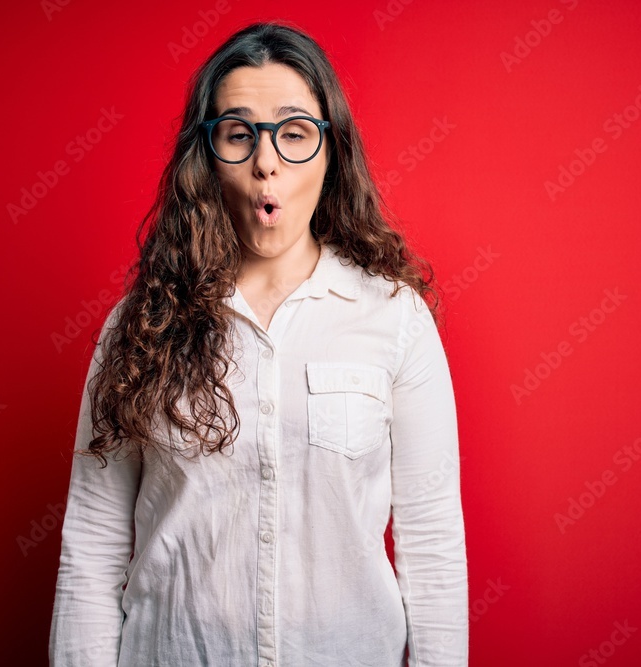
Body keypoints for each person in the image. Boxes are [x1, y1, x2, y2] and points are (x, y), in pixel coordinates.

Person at [49, 20, 467, 667]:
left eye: (294, 133)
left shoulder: (395, 321)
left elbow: (433, 543)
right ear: (206, 157)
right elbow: (93, 541)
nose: (266, 161)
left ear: (332, 155)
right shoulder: (139, 326)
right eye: (239, 134)